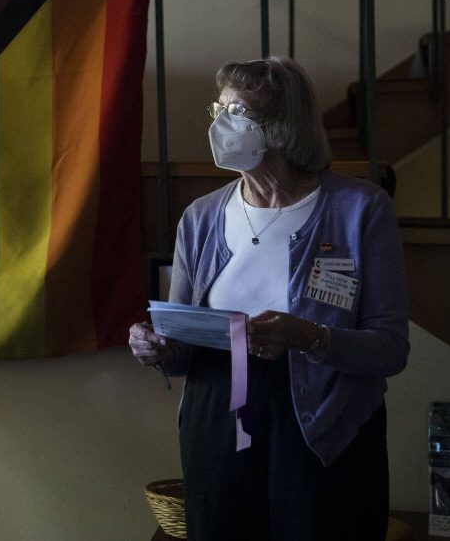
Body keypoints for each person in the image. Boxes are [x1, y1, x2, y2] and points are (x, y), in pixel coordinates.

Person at [129, 56, 409, 541]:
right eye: (219, 109)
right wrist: (159, 349)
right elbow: (180, 355)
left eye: (237, 112)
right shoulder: (200, 217)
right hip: (217, 421)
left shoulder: (359, 210)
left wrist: (306, 336)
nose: (221, 124)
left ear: (282, 127)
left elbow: (390, 348)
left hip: (323, 426)